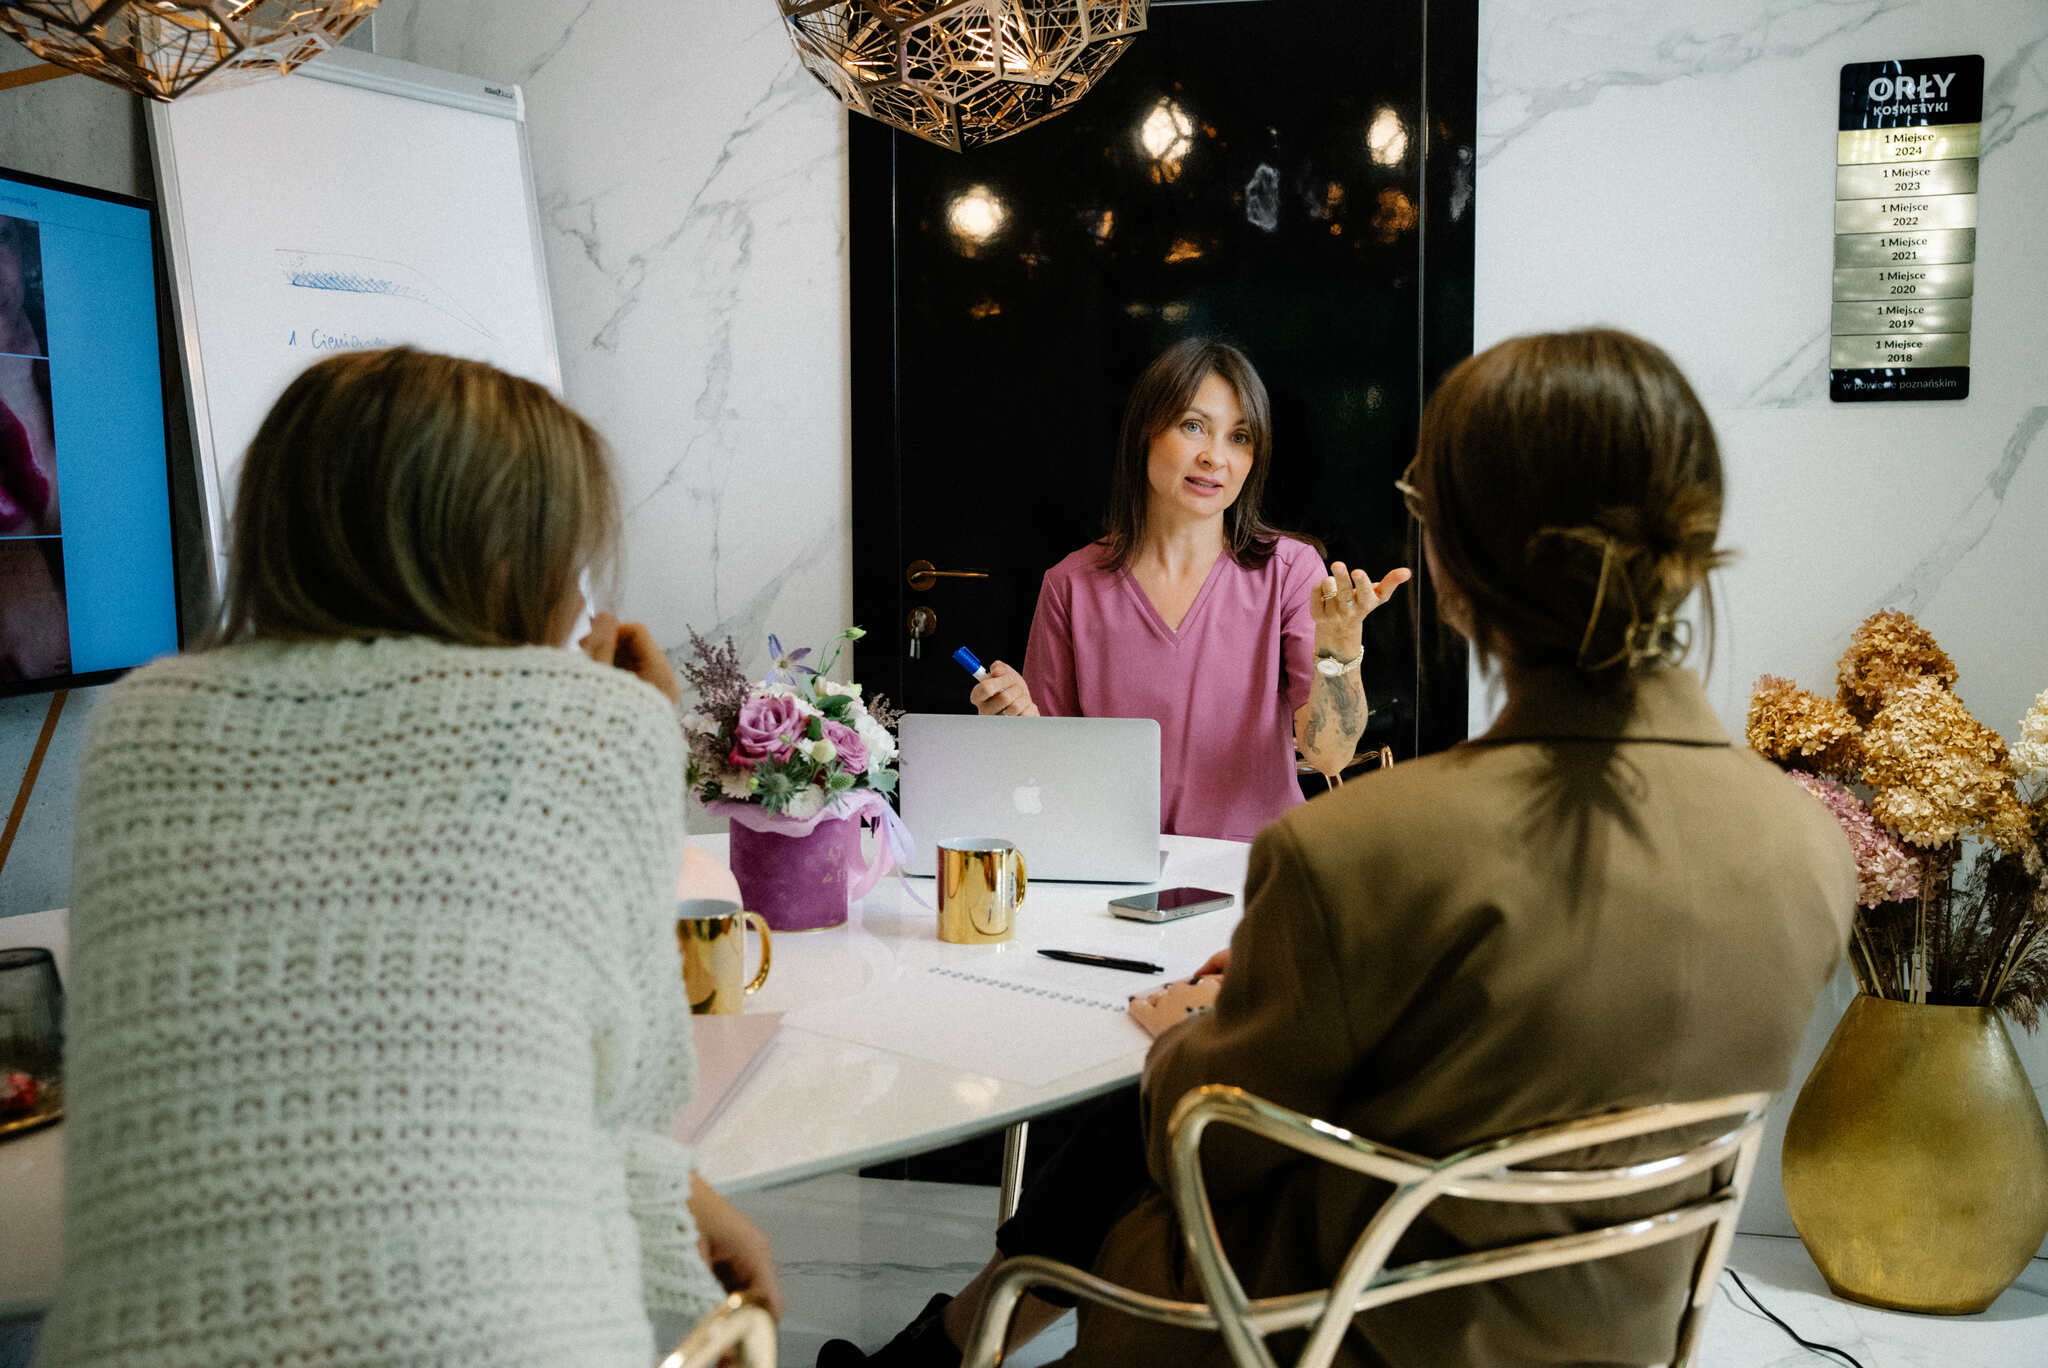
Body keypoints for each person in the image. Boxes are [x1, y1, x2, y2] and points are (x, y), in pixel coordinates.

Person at [831, 329, 1855, 1367]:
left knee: (1129, 1117)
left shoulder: (1356, 854)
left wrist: (1198, 1028)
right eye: (1191, 425)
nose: (1213, 455)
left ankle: (957, 1337)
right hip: (1618, 1335)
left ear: (1452, 562)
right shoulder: (1810, 847)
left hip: (1323, 1329)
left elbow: (1205, 1134)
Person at [36, 348, 781, 1368]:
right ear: (497, 556)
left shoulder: (139, 725)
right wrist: (637, 732)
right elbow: (627, 1090)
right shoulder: (598, 722)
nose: (576, 606)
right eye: (563, 560)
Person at [967, 337, 1409, 841]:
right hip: (1114, 870)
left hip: (1252, 871)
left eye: (1239, 437)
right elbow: (1048, 776)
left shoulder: (1290, 570)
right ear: (1145, 434)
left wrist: (1341, 645)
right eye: (1194, 426)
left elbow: (1329, 753)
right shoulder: (1071, 584)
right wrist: (1015, 722)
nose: (1215, 457)